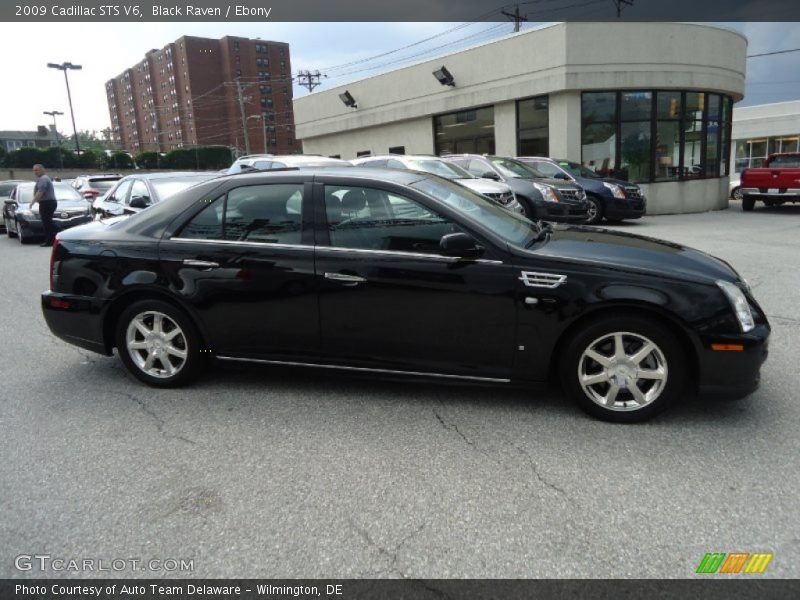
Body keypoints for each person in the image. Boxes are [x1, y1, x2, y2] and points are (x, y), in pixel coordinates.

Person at [30, 164, 57, 247]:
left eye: (37, 170)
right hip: (47, 203)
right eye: (34, 170)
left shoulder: (43, 179)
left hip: (47, 203)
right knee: (48, 222)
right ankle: (54, 238)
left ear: (42, 170)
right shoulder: (42, 178)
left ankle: (50, 241)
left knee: (47, 223)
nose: (35, 172)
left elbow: (40, 192)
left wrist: (33, 202)